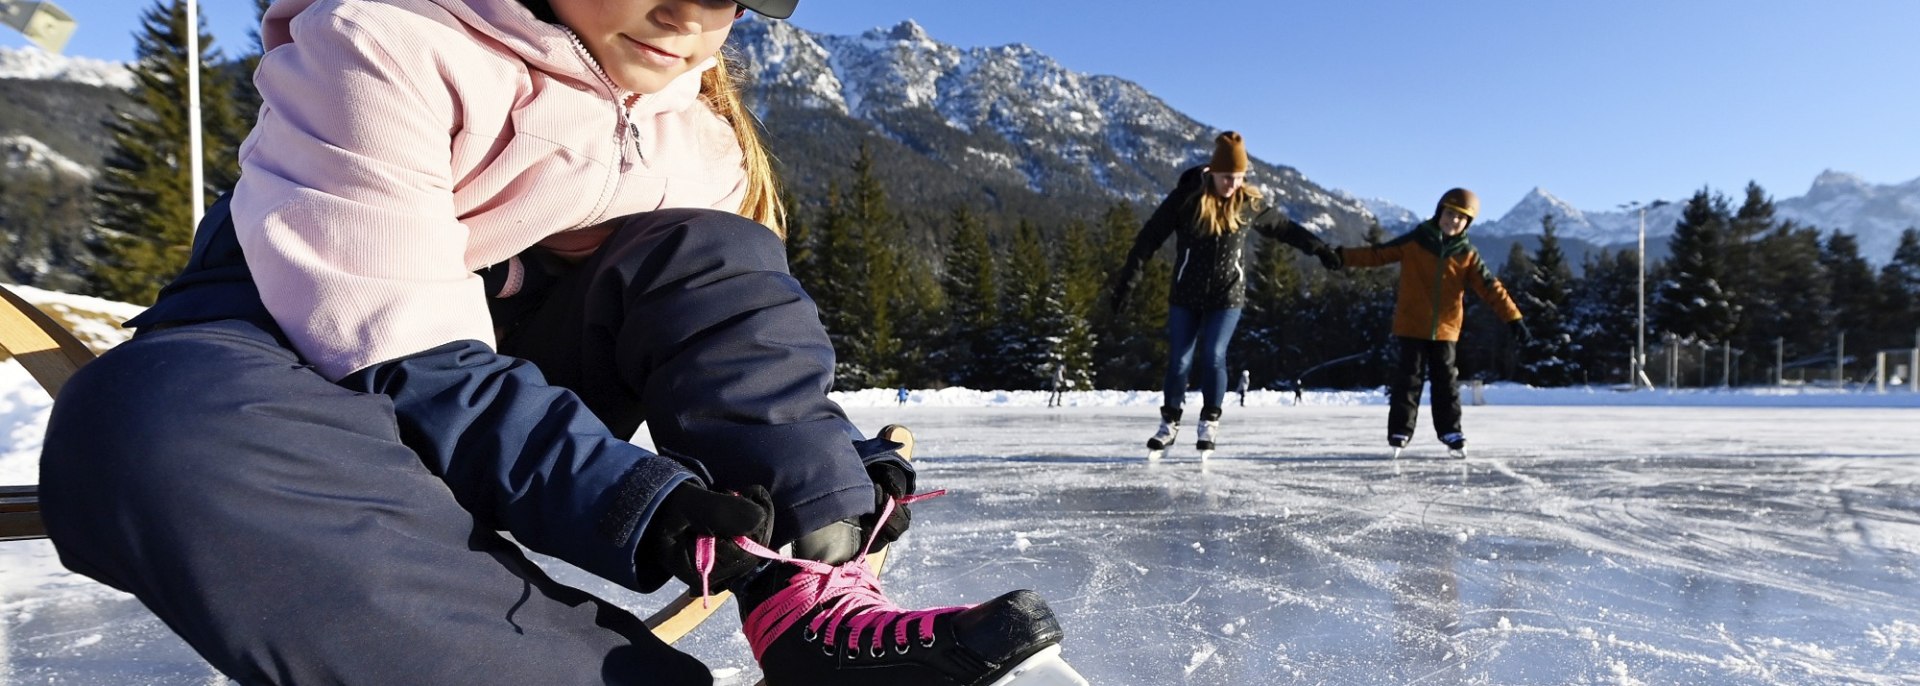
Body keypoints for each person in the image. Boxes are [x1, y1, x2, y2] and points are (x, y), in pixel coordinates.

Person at [37, 1, 1080, 685]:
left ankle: (813, 602)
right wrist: (648, 508)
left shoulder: (696, 136)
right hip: (284, 375)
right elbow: (400, 346)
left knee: (708, 249)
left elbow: (727, 329)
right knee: (142, 427)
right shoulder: (380, 41)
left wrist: (821, 482)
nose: (690, 12)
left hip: (496, 388)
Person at [1109, 131, 1341, 454]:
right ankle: (1170, 422)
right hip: (1186, 294)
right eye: (1226, 177)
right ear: (1212, 172)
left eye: (1238, 177)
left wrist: (1321, 249)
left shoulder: (1248, 204)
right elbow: (1148, 239)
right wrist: (1126, 284)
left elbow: (1286, 229)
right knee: (1179, 360)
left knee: (1214, 354)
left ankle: (1209, 421)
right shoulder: (1186, 200)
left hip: (1227, 296)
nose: (1231, 184)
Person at [1334, 188, 1530, 454]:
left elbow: (1490, 287)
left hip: (1446, 329)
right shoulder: (1416, 241)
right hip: (1411, 324)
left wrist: (1513, 318)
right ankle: (1400, 430)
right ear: (1440, 213)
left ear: (1467, 224)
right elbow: (1377, 254)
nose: (1453, 221)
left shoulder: (1466, 254)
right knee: (1408, 380)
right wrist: (1341, 256)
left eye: (1461, 218)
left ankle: (1450, 431)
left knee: (1446, 382)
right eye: (1450, 214)